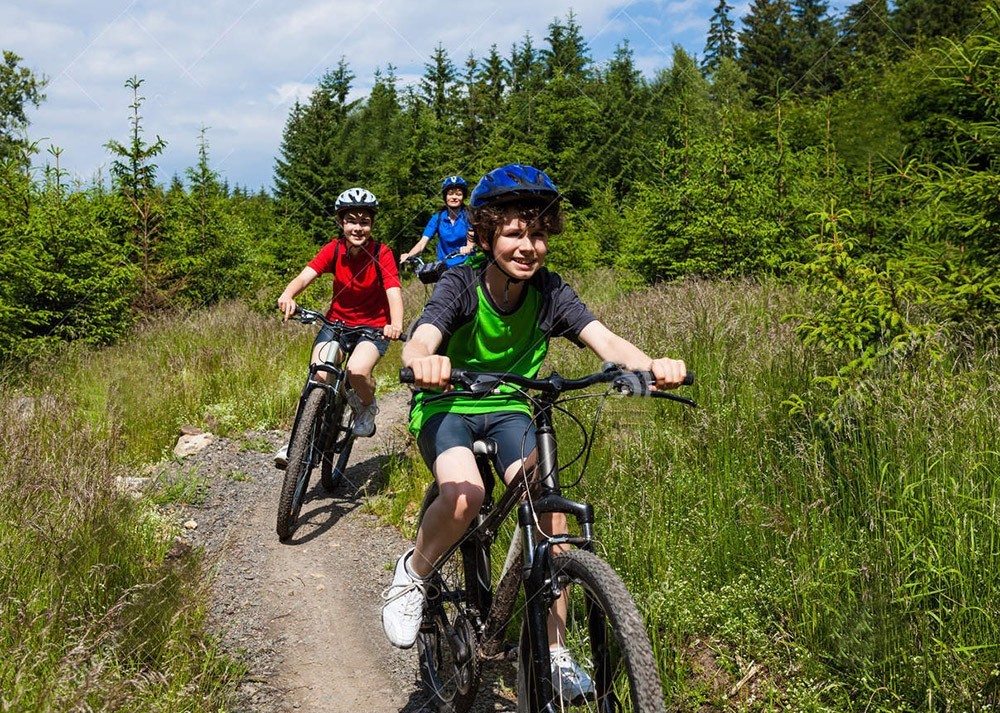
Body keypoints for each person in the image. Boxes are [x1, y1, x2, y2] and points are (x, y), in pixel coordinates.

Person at [380, 164, 687, 699]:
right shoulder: (462, 281)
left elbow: (605, 341)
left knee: (550, 506)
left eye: (539, 233)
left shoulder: (549, 292)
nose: (529, 245)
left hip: (512, 408)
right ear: (485, 234)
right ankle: (415, 571)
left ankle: (555, 652)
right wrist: (423, 360)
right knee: (465, 495)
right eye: (515, 233)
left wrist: (651, 366)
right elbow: (422, 337)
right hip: (447, 405)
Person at [275, 187, 403, 467]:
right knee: (317, 378)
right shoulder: (333, 249)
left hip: (373, 327)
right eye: (352, 221)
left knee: (357, 371)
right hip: (336, 322)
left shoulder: (382, 253)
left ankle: (366, 406)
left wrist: (395, 324)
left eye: (364, 222)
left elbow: (393, 290)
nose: (358, 228)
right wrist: (288, 295)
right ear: (341, 222)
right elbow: (305, 276)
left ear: (371, 224)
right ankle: (296, 443)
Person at [398, 175, 476, 268]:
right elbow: (423, 242)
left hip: (466, 265)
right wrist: (409, 255)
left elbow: (471, 240)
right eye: (450, 194)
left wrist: (468, 248)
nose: (454, 197)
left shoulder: (468, 216)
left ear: (463, 197)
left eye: (458, 194)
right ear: (445, 196)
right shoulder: (437, 218)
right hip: (445, 267)